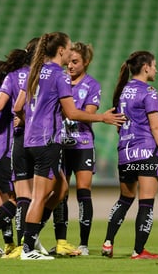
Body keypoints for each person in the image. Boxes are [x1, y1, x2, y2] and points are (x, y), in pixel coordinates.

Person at [14, 31, 125, 260]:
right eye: (69, 48)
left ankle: (32, 237)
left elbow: (17, 108)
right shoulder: (60, 76)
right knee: (39, 196)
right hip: (48, 141)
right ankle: (27, 249)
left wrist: (33, 120)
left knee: (61, 188)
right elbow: (72, 112)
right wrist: (103, 118)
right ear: (62, 50)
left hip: (31, 140)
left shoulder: (35, 72)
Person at [101, 51, 158, 260]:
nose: (156, 69)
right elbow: (156, 128)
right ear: (145, 67)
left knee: (125, 199)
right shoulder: (149, 92)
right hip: (145, 152)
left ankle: (108, 242)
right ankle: (138, 251)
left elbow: (119, 125)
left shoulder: (123, 91)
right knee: (146, 203)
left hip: (125, 154)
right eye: (154, 66)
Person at [0, 38, 46, 259]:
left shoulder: (10, 77)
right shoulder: (37, 78)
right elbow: (14, 109)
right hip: (6, 148)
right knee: (20, 198)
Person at [52, 42, 101, 256]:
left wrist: (70, 111)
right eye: (69, 61)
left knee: (83, 192)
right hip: (59, 144)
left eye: (75, 62)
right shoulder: (59, 80)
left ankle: (83, 243)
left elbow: (88, 113)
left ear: (86, 62)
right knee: (60, 194)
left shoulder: (92, 85)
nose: (70, 66)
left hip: (82, 144)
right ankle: (61, 241)